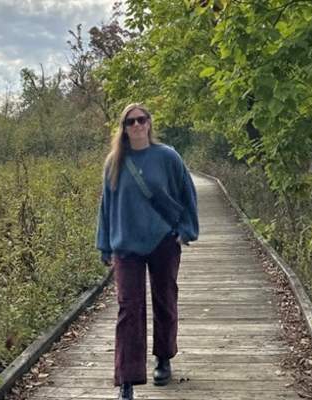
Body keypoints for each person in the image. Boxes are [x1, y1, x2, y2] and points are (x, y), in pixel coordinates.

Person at [96, 103, 199, 400]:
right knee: (129, 309)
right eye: (131, 122)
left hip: (162, 241)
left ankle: (163, 357)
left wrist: (186, 230)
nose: (138, 125)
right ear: (124, 128)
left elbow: (186, 192)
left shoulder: (167, 156)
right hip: (126, 245)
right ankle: (127, 379)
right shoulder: (115, 162)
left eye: (142, 119)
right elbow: (106, 207)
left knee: (165, 298)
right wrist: (104, 243)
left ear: (150, 123)